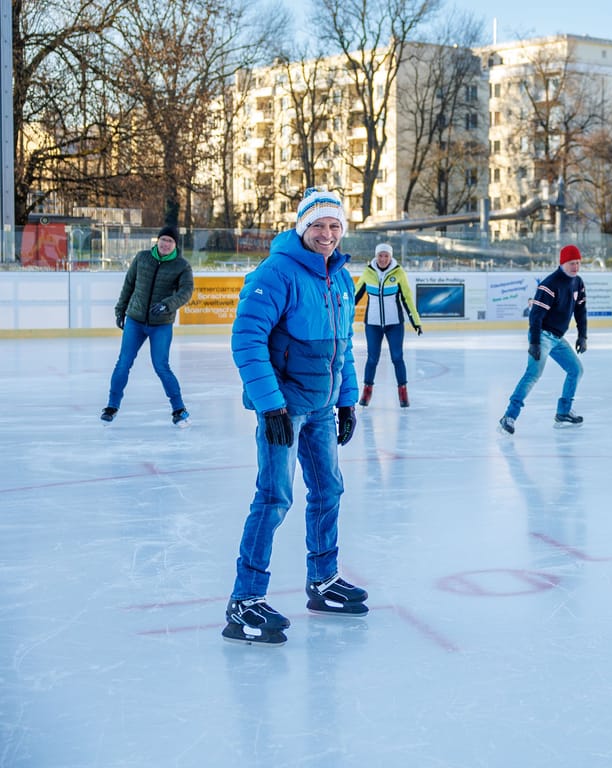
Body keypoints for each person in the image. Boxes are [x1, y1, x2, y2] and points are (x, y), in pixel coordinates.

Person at [223, 188, 366, 646]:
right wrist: (270, 406)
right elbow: (246, 339)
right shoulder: (277, 272)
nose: (327, 234)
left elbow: (342, 347)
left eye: (334, 226)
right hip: (284, 408)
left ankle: (323, 581)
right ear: (302, 228)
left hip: (322, 407)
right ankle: (244, 601)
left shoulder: (340, 278)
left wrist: (346, 401)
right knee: (274, 497)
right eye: (319, 226)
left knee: (328, 489)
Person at [101, 225, 195, 426]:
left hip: (161, 324)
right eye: (163, 240)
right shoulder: (142, 258)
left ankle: (179, 409)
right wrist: (120, 310)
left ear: (175, 245)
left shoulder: (182, 266)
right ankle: (111, 406)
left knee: (161, 365)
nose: (166, 244)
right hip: (135, 320)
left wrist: (166, 305)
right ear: (157, 240)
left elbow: (186, 292)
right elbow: (129, 284)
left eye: (170, 241)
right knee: (123, 363)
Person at [498, 245, 588, 435]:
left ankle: (563, 411)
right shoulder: (550, 284)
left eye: (578, 263)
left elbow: (580, 311)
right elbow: (536, 316)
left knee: (576, 369)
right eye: (572, 263)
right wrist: (535, 342)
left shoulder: (577, 283)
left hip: (557, 338)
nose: (576, 267)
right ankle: (509, 416)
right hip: (542, 336)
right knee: (533, 374)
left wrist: (582, 335)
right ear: (563, 263)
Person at [355, 242, 422, 408]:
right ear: (376, 256)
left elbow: (407, 298)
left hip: (394, 324)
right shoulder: (368, 272)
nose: (383, 259)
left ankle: (403, 392)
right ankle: (367, 390)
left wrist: (416, 321)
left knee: (397, 358)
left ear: (390, 257)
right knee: (372, 359)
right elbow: (355, 296)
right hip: (373, 324)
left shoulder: (399, 273)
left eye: (386, 256)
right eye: (380, 255)